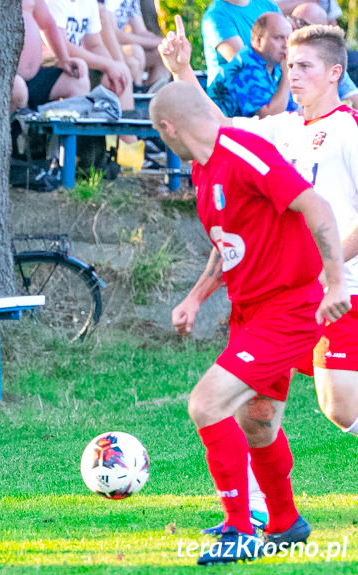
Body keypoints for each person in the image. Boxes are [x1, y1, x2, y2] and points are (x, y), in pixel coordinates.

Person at [160, 14, 358, 554]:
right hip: (291, 293)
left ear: (336, 72)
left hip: (340, 287)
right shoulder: (283, 128)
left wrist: (330, 267)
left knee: (339, 407)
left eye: (305, 67)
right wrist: (183, 74)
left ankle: (250, 523)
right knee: (257, 415)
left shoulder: (348, 129)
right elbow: (212, 128)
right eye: (289, 65)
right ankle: (264, 519)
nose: (293, 75)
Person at [44, 0, 135, 113]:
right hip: (53, 64)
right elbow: (62, 46)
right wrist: (108, 65)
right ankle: (76, 127)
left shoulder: (89, 2)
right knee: (81, 70)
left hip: (81, 63)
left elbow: (95, 45)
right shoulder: (55, 2)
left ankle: (124, 128)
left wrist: (111, 69)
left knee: (121, 72)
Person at [207, 12, 293, 117]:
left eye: (289, 38)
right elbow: (268, 116)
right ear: (258, 41)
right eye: (278, 38)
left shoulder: (275, 65)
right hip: (221, 130)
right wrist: (287, 76)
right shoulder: (246, 67)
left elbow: (293, 108)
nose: (286, 45)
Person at [13, 0, 90, 112]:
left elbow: (47, 25)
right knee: (18, 87)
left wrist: (63, 59)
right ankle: (18, 127)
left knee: (77, 81)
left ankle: (64, 128)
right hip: (5, 80)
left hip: (34, 77)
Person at [288, 2, 358, 108]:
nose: (293, 25)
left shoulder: (330, 64)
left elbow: (354, 100)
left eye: (301, 22)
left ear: (319, 33)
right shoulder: (276, 58)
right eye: (292, 19)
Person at [201, 0, 281, 85]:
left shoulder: (267, 5)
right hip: (237, 93)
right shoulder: (216, 15)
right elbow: (246, 64)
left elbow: (289, 48)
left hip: (274, 87)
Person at [98, 0, 169, 90]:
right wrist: (158, 42)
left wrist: (166, 43)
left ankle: (153, 95)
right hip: (105, 48)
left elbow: (140, 31)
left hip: (121, 47)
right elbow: (116, 35)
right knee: (136, 53)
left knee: (164, 53)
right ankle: (137, 94)